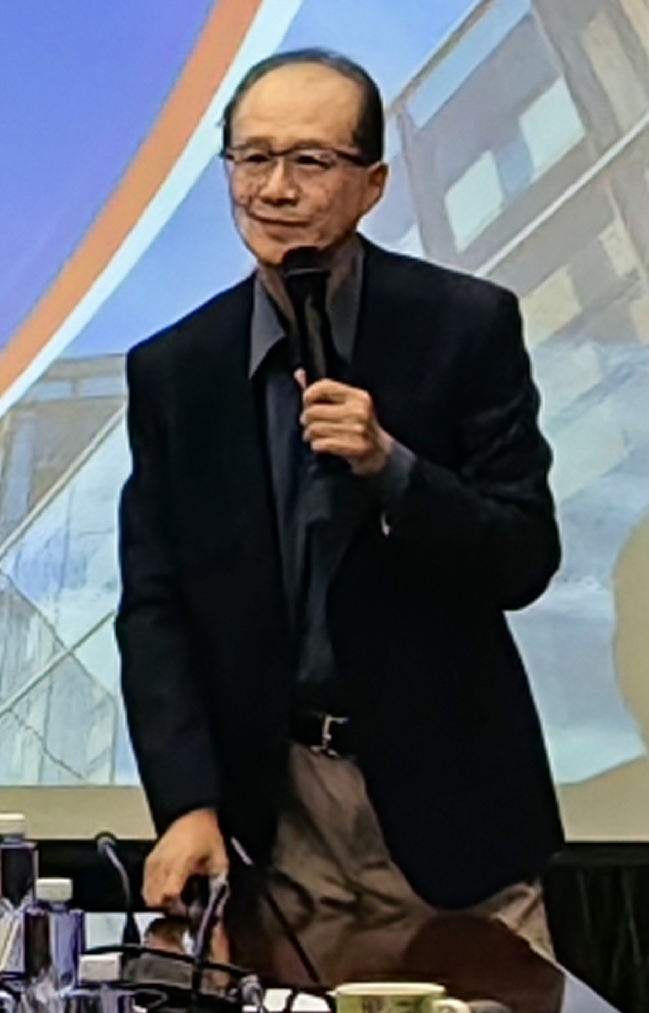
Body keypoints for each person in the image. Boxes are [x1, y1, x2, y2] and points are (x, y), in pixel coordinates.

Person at [115, 49, 564, 983]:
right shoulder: (177, 370)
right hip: (280, 821)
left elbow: (523, 554)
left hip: (452, 813)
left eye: (310, 161)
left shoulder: (465, 326)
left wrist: (392, 467)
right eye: (253, 158)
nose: (275, 189)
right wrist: (188, 802)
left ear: (373, 185)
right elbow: (155, 607)